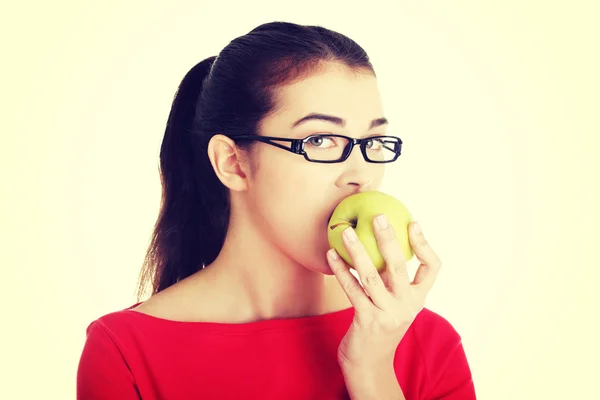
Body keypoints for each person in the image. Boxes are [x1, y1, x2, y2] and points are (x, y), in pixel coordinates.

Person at [76, 21, 476, 399]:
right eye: (320, 140)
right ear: (233, 162)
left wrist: (372, 373)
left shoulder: (424, 342)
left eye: (374, 141)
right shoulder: (125, 352)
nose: (361, 175)